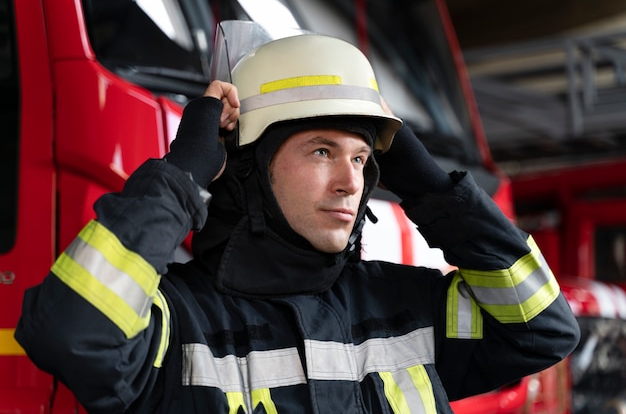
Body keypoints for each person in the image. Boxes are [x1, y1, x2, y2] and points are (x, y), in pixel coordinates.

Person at [15, 25, 580, 413]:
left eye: (361, 157)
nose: (351, 182)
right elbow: (73, 331)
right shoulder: (178, 323)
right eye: (320, 151)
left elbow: (542, 330)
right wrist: (180, 175)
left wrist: (430, 186)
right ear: (251, 169)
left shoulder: (410, 306)